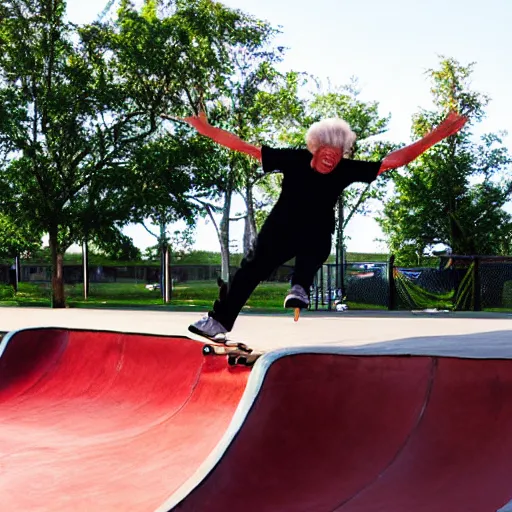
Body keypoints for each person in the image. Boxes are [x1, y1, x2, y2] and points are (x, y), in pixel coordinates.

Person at [178, 110, 467, 340]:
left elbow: (393, 161)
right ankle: (218, 321)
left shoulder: (346, 170)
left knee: (318, 240)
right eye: (326, 154)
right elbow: (245, 148)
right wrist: (206, 129)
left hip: (313, 231)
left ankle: (299, 287)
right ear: (315, 149)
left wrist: (438, 134)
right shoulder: (294, 159)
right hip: (279, 228)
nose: (331, 161)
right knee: (248, 271)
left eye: (337, 156)